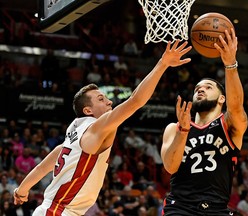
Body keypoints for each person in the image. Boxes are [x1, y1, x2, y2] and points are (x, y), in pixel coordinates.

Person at [13, 40, 192, 216]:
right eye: (101, 99)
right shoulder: (94, 128)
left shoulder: (73, 135)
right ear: (87, 110)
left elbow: (41, 169)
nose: (109, 101)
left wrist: (22, 190)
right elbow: (135, 101)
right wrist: (162, 64)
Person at [161, 28, 248, 216]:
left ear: (222, 98)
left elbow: (236, 107)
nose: (200, 90)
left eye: (208, 87)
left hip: (217, 209)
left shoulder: (229, 126)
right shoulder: (174, 128)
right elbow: (170, 167)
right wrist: (183, 130)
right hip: (180, 207)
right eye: (197, 88)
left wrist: (230, 64)